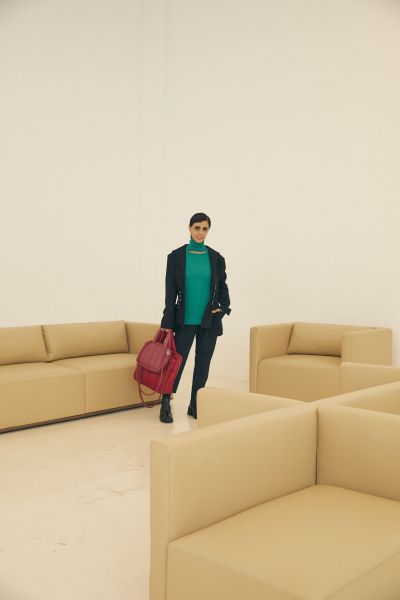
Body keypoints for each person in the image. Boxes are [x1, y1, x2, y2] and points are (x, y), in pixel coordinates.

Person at [159, 212, 231, 423]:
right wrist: (167, 322)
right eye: (197, 228)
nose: (200, 232)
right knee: (176, 364)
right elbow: (170, 292)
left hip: (209, 320)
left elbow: (222, 285)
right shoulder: (176, 257)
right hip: (184, 320)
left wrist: (223, 307)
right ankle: (165, 403)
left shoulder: (216, 258)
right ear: (189, 228)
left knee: (203, 363)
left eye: (205, 229)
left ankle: (195, 404)